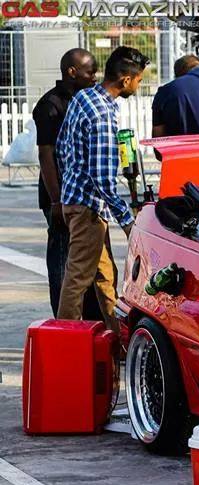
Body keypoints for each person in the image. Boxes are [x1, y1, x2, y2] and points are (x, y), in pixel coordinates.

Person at [56, 46, 148, 333]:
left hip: (78, 201)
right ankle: (64, 341)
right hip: (88, 208)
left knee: (105, 276)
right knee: (78, 279)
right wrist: (128, 221)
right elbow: (103, 179)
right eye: (138, 80)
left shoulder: (84, 97)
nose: (138, 85)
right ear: (125, 80)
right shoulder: (102, 115)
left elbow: (61, 147)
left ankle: (117, 340)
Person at [33, 48, 109, 319]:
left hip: (87, 197)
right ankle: (64, 324)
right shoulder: (50, 105)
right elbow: (46, 155)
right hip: (62, 198)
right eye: (90, 72)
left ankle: (93, 322)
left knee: (90, 264)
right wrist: (57, 200)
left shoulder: (87, 100)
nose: (95, 77)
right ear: (72, 72)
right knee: (64, 263)